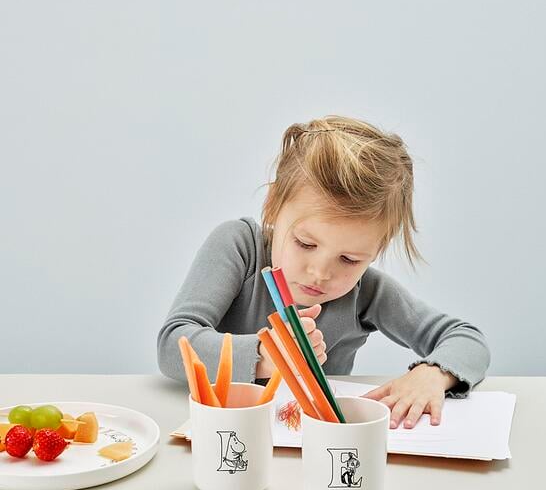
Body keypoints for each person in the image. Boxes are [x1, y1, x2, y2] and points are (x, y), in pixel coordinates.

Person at [157, 115, 491, 429]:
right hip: (224, 433)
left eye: (349, 259)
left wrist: (432, 374)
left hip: (314, 446)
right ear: (272, 205)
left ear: (378, 249)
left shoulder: (366, 292)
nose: (319, 273)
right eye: (305, 243)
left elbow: (466, 338)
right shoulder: (240, 246)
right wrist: (263, 356)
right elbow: (173, 344)